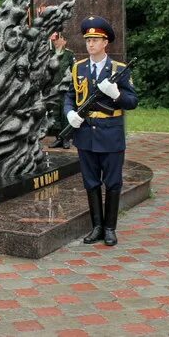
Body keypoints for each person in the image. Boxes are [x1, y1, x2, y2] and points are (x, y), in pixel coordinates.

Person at [63, 16, 138, 247]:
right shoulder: (78, 68)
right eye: (88, 40)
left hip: (110, 135)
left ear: (106, 43)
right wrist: (69, 114)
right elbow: (69, 96)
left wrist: (116, 94)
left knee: (113, 182)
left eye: (96, 39)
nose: (91, 44)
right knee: (91, 182)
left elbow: (132, 101)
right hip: (86, 135)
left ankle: (109, 228)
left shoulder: (119, 69)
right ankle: (96, 227)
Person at [50, 33, 75, 149]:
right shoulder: (50, 54)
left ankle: (66, 139)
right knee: (54, 115)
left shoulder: (69, 55)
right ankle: (58, 138)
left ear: (64, 41)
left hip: (65, 89)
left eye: (58, 39)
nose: (55, 41)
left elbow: (74, 71)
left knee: (65, 114)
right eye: (54, 39)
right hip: (53, 90)